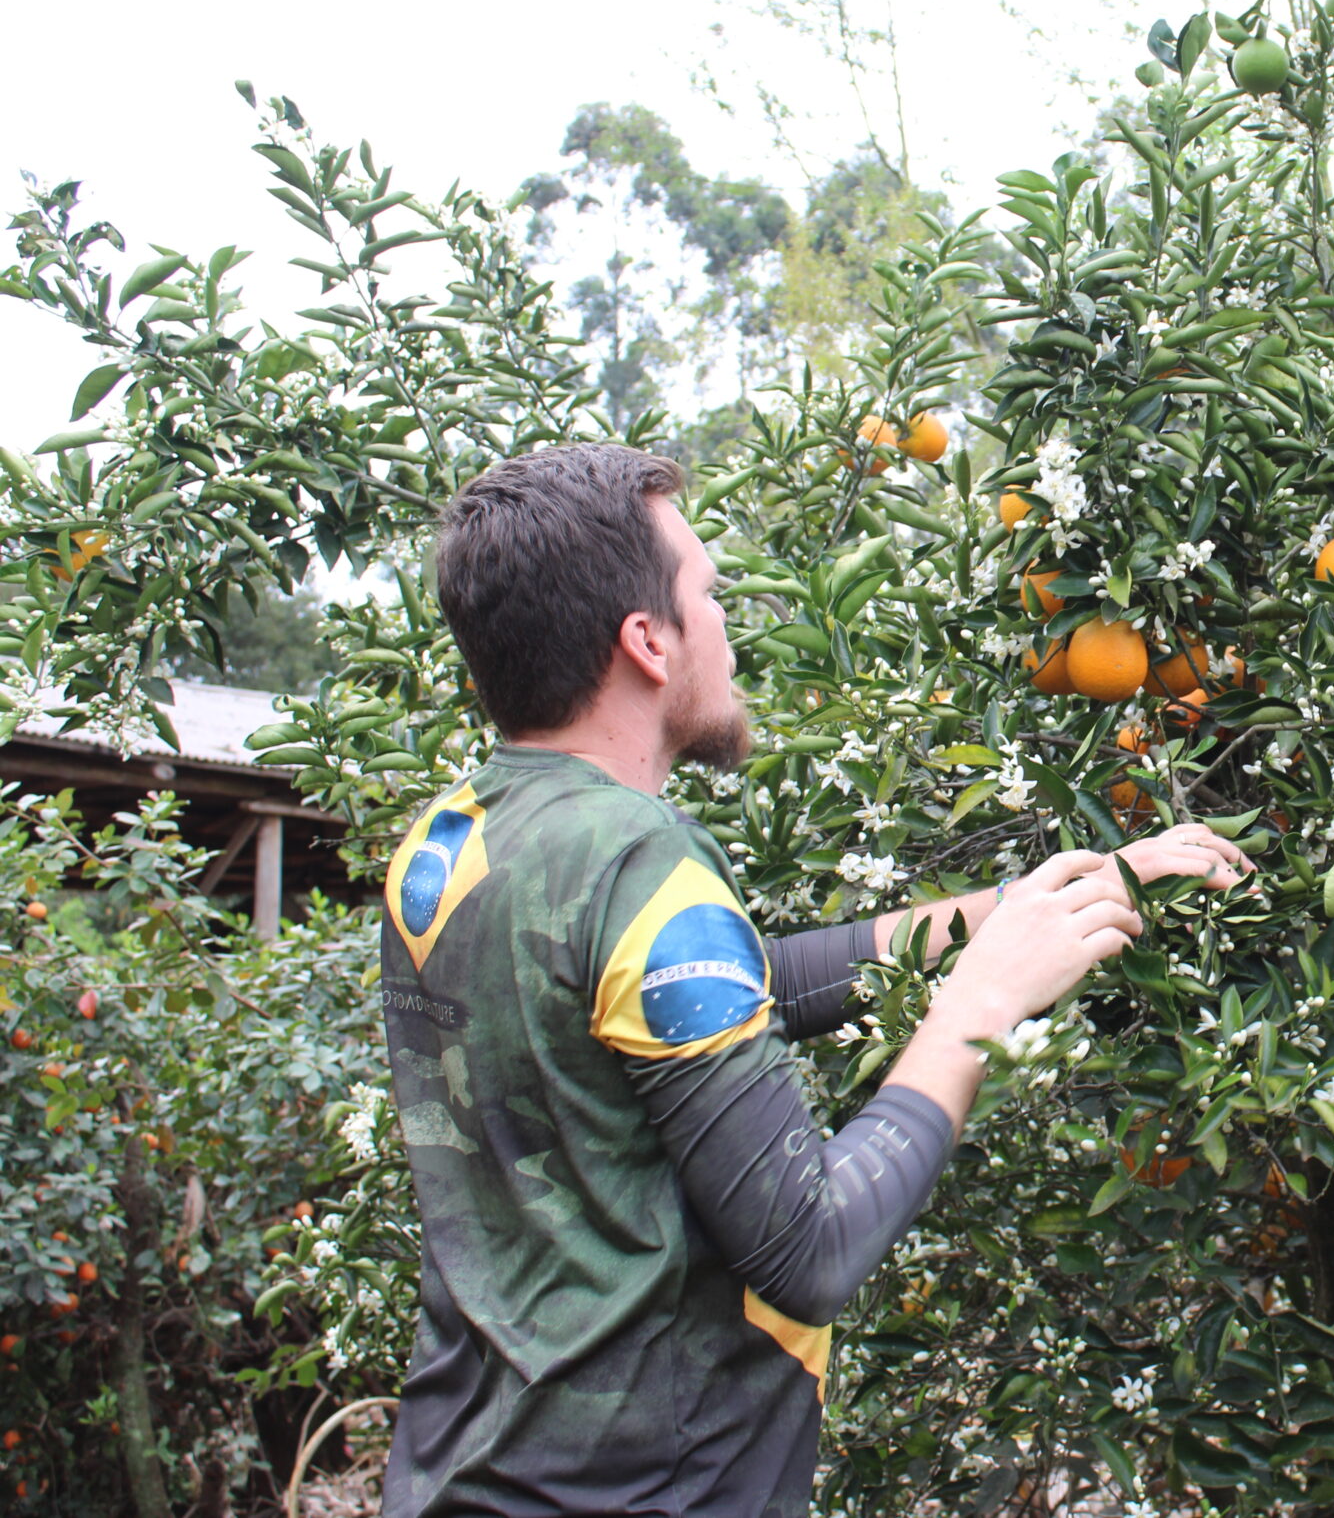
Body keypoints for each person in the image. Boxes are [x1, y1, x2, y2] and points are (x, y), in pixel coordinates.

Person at [374, 444, 1251, 1517]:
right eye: (707, 592)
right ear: (647, 642)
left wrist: (1008, 911)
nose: (727, 621)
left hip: (462, 1471)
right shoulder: (639, 864)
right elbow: (810, 1246)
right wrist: (983, 1003)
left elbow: (717, 1000)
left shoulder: (452, 837)